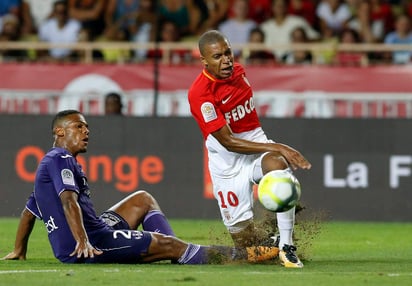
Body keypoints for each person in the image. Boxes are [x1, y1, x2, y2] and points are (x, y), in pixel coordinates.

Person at [2, 109, 279, 264]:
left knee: (142, 199)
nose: (86, 132)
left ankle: (169, 250)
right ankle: (244, 255)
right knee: (172, 245)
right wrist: (83, 242)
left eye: (87, 128)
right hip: (90, 244)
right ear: (59, 131)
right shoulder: (60, 158)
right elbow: (68, 202)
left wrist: (19, 249)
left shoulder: (51, 164)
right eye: (79, 127)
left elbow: (29, 212)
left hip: (96, 228)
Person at [188, 30, 312, 268]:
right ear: (204, 61)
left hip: (256, 148)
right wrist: (278, 145)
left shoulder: (239, 72)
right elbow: (228, 141)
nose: (226, 60)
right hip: (227, 164)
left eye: (228, 53)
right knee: (246, 248)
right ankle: (272, 242)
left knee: (278, 166)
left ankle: (287, 246)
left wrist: (275, 150)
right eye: (217, 57)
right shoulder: (200, 94)